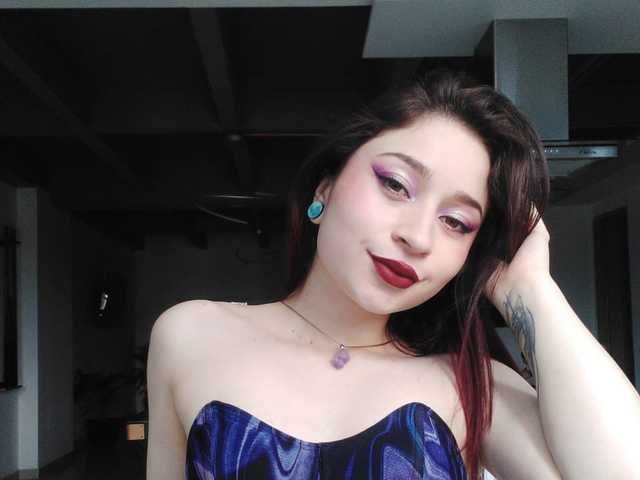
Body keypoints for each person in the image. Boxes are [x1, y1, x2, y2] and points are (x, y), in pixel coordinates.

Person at [146, 69, 640, 480]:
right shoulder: (191, 334)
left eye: (456, 222)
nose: (418, 237)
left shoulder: (469, 386)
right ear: (325, 187)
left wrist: (530, 289)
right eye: (396, 185)